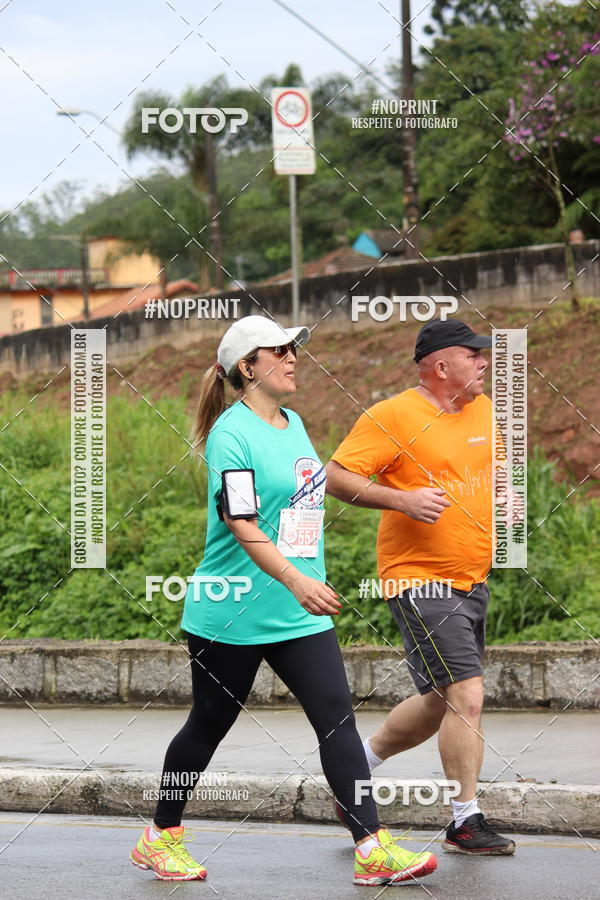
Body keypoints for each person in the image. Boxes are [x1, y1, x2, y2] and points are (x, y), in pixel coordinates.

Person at [129, 315, 437, 885]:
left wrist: (314, 570)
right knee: (208, 725)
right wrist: (296, 580)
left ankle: (371, 846)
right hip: (233, 611)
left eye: (294, 348)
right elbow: (241, 520)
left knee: (337, 721)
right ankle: (160, 835)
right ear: (248, 367)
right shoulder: (231, 435)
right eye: (280, 350)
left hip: (298, 612)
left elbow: (303, 505)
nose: (294, 357)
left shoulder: (294, 424)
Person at [326, 318, 516, 856]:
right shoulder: (392, 415)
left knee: (438, 701)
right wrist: (402, 500)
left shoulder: (483, 410)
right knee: (467, 695)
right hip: (419, 578)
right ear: (440, 365)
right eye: (473, 355)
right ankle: (464, 820)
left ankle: (356, 770)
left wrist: (505, 498)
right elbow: (335, 476)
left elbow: (495, 470)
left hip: (472, 577)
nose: (484, 362)